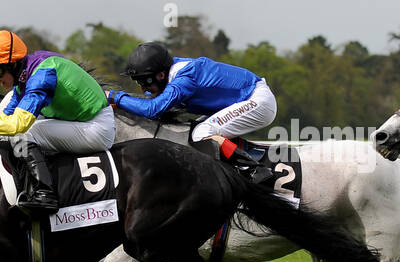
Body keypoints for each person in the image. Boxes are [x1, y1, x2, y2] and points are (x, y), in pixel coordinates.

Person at [0, 30, 115, 213]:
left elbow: (17, 125)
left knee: (23, 133)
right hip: (80, 122)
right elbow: (4, 119)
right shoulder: (26, 74)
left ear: (13, 64)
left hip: (96, 128)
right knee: (11, 130)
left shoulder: (41, 76)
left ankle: (45, 194)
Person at [106, 42, 277, 174]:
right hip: (247, 99)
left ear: (161, 75)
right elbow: (150, 104)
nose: (143, 89)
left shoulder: (185, 78)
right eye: (138, 82)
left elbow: (153, 109)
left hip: (258, 101)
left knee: (201, 133)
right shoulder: (172, 74)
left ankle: (253, 170)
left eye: (145, 81)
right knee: (195, 130)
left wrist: (115, 96)